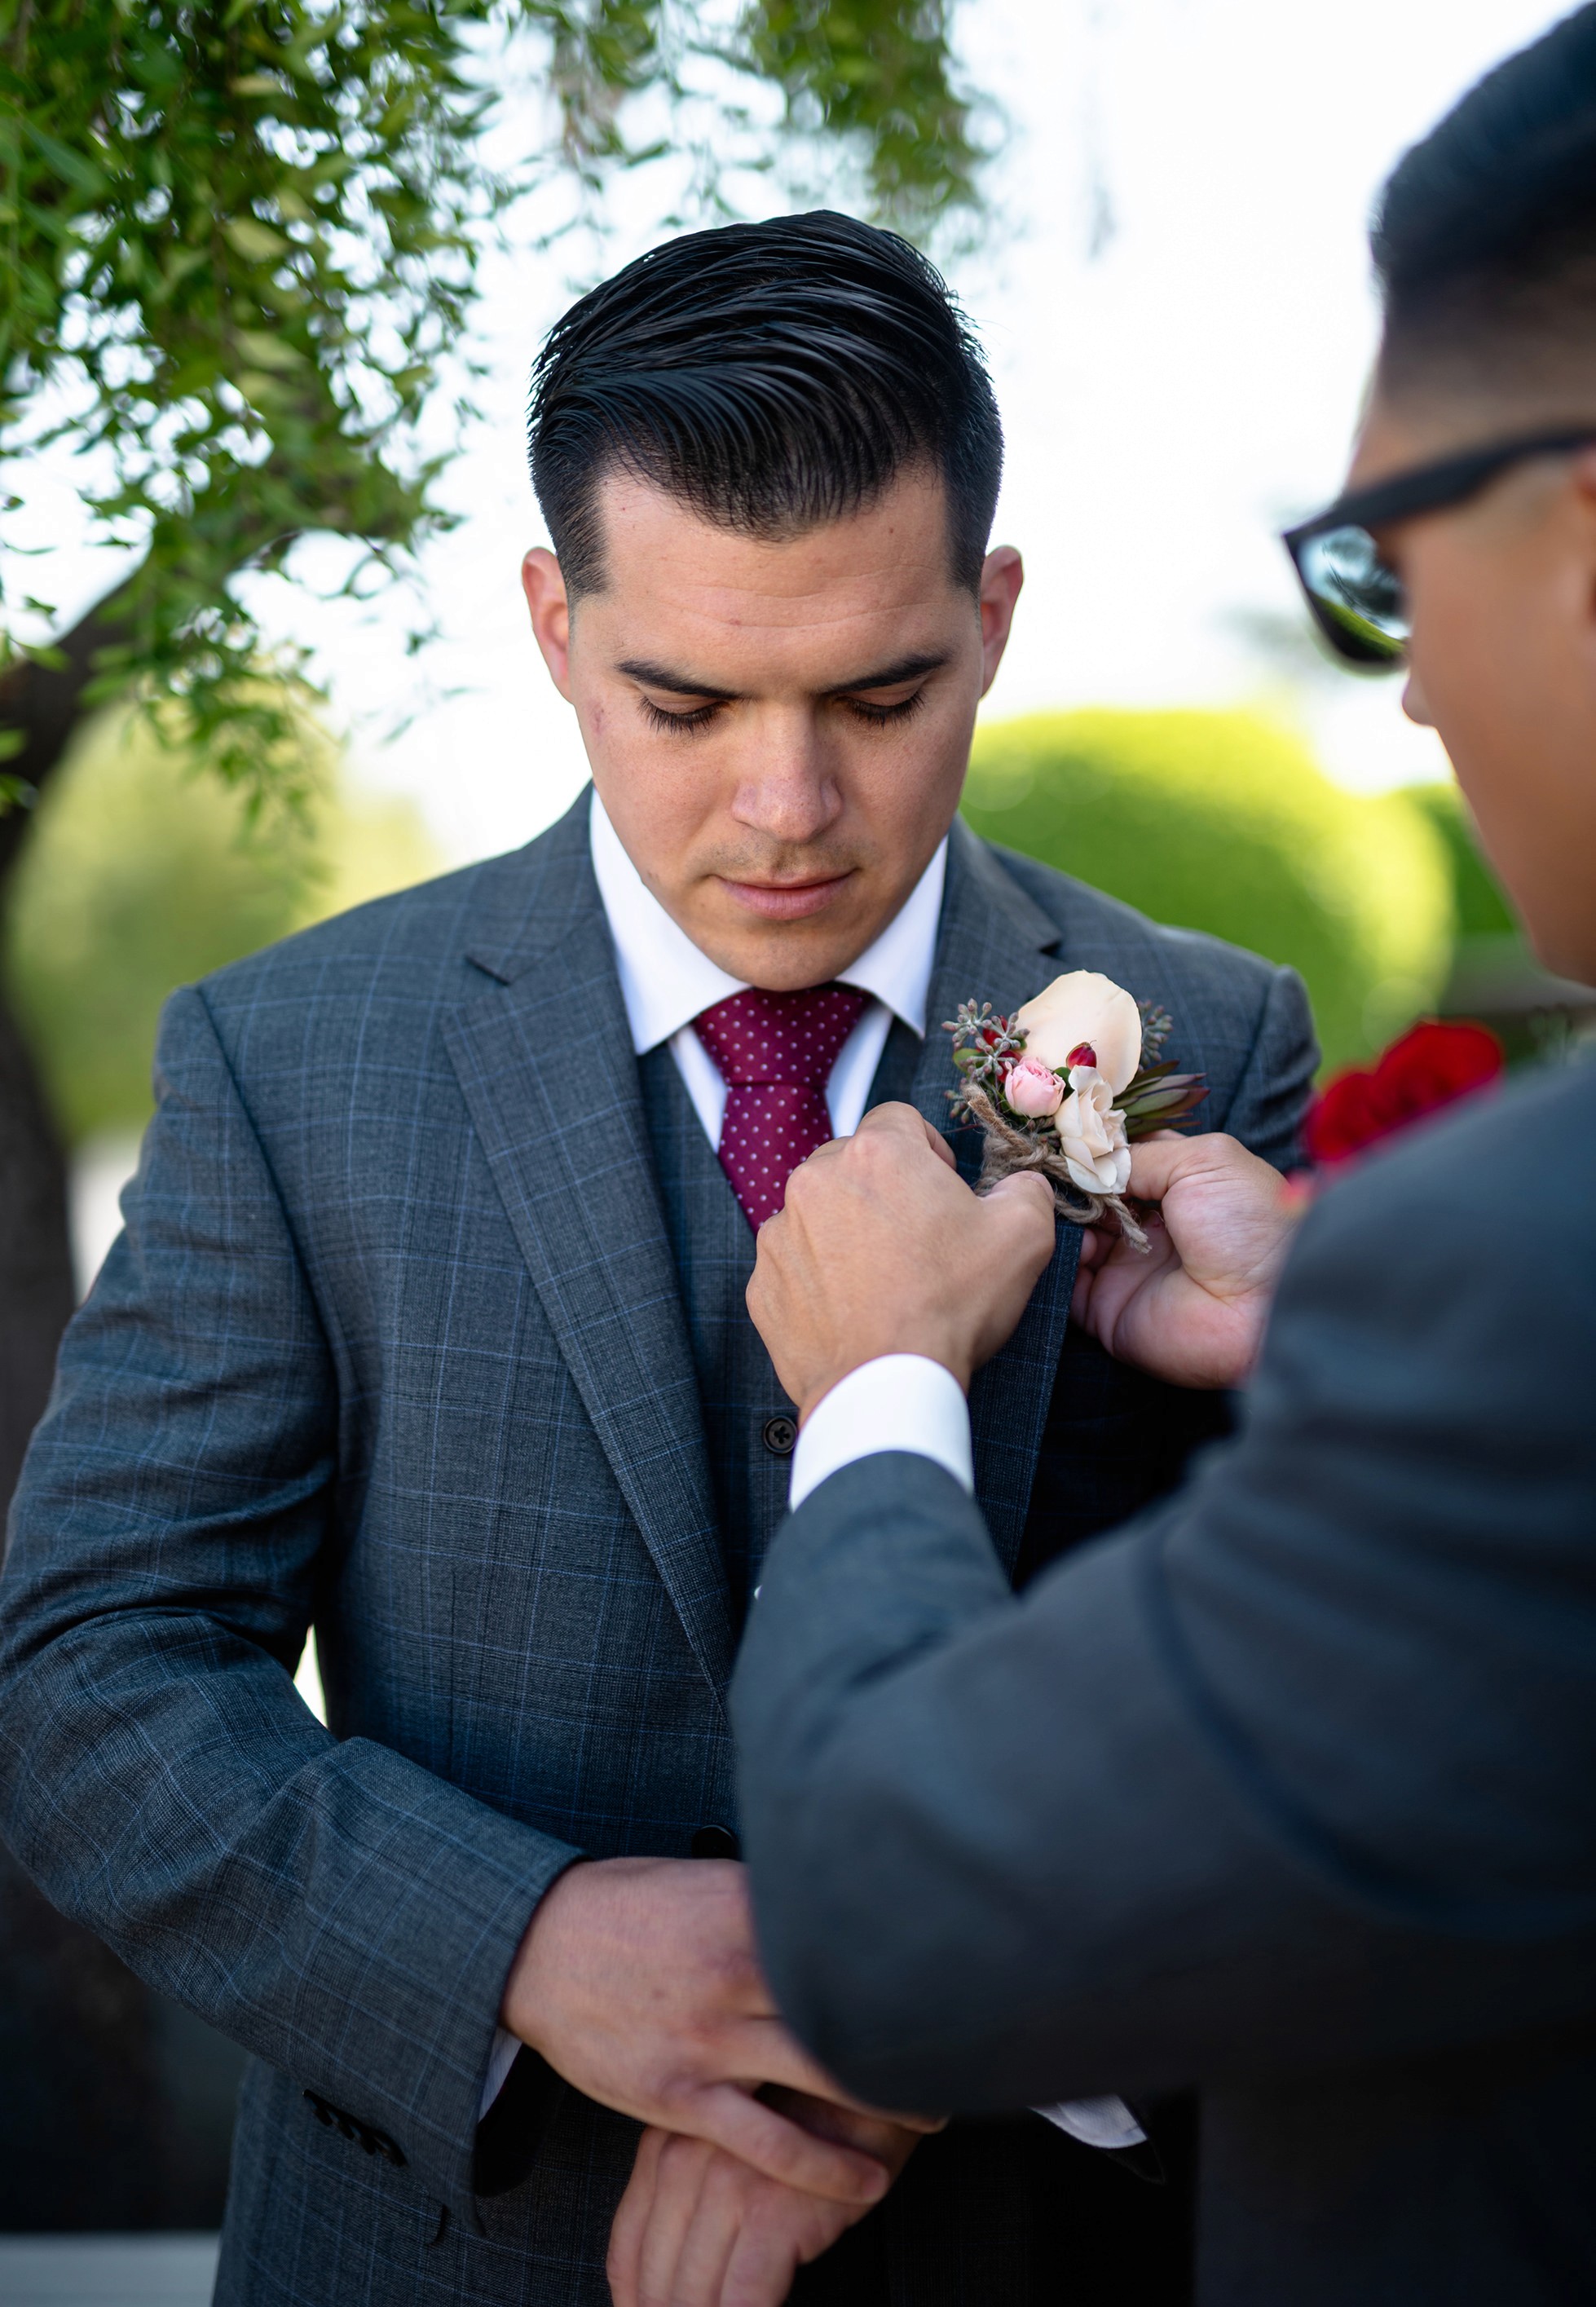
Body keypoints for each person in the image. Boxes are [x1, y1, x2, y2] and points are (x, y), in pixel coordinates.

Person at [0, 212, 1316, 2307]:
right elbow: (89, 1678)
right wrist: (523, 1946)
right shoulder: (291, 1055)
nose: (786, 803)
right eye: (686, 699)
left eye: (879, 695)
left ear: (988, 621)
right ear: (551, 621)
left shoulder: (1202, 1038)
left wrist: (893, 2047)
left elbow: (1293, 1691)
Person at [721, 7, 1596, 2307]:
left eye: (1382, 562)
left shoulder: (1495, 1255)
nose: (1402, 686)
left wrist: (882, 1389)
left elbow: (911, 1921)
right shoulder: (290, 1038)